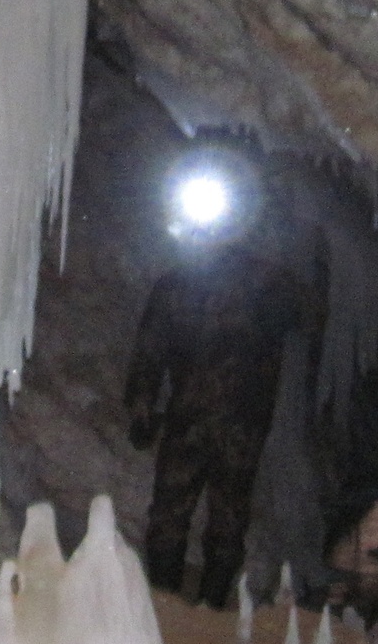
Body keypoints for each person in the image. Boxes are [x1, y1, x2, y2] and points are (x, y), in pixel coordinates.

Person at [123, 156, 310, 608]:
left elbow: (299, 310)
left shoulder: (267, 284)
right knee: (170, 515)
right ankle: (163, 601)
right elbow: (150, 350)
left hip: (241, 422)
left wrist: (266, 241)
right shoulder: (177, 287)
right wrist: (142, 404)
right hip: (190, 416)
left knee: (227, 521)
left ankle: (210, 604)